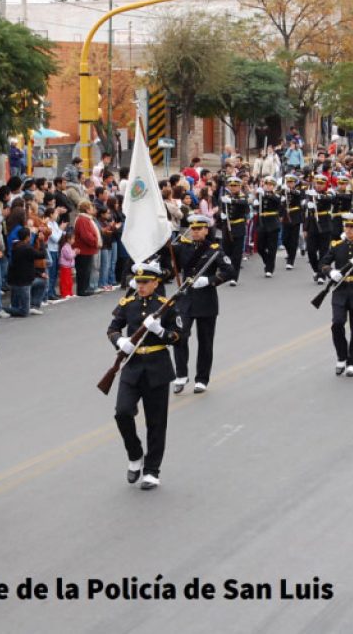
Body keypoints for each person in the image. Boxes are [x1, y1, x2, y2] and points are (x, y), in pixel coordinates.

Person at [106, 262, 181, 490]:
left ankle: (151, 470)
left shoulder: (165, 305)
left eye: (145, 282)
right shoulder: (128, 304)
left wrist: (160, 331)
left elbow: (179, 336)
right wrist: (121, 341)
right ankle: (135, 453)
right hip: (132, 365)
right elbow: (112, 328)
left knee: (156, 422)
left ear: (156, 283)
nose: (141, 286)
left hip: (157, 367)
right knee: (122, 412)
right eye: (138, 282)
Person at [172, 214, 235, 395]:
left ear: (206, 230)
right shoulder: (182, 247)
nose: (195, 232)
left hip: (206, 301)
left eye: (199, 229)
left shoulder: (214, 249)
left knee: (205, 342)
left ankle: (202, 379)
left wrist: (209, 280)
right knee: (179, 337)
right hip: (185, 299)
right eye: (193, 228)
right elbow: (167, 258)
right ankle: (181, 375)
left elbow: (229, 271)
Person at [320, 213, 353, 377]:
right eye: (346, 226)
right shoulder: (336, 245)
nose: (349, 229)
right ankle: (342, 356)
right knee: (337, 324)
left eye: (352, 226)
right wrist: (331, 272)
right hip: (340, 290)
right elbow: (323, 263)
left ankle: (352, 362)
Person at [303, 175, 334, 284]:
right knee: (311, 251)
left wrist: (317, 197)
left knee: (323, 252)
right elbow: (307, 213)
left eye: (321, 183)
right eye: (317, 183)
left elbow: (329, 199)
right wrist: (305, 228)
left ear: (325, 184)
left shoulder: (329, 192)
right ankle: (317, 270)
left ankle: (321, 275)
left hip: (325, 225)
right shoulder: (309, 194)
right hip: (312, 226)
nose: (319, 185)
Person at [219, 176, 249, 285]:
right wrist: (221, 216)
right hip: (227, 227)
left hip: (238, 227)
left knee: (237, 254)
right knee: (227, 252)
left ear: (239, 186)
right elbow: (222, 209)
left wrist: (231, 200)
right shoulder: (225, 197)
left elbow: (244, 204)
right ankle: (227, 273)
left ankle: (234, 277)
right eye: (231, 185)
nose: (233, 188)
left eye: (235, 185)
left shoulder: (242, 196)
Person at [253, 176, 281, 278]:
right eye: (266, 184)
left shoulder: (276, 194)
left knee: (272, 248)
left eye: (270, 185)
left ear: (273, 186)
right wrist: (255, 201)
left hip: (273, 222)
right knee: (260, 247)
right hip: (262, 223)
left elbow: (277, 201)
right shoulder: (260, 195)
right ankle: (268, 261)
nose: (268, 186)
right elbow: (256, 208)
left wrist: (265, 194)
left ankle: (269, 268)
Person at [280, 173, 303, 270]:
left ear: (295, 183)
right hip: (286, 216)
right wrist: (280, 215)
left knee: (293, 240)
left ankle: (290, 261)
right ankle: (290, 253)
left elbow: (298, 195)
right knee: (285, 239)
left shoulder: (298, 191)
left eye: (291, 182)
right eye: (288, 182)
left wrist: (289, 190)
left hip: (295, 216)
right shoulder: (283, 191)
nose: (289, 184)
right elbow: (280, 204)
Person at [58, 232, 78, 298]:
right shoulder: (65, 247)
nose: (74, 240)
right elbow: (69, 256)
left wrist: (74, 251)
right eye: (73, 239)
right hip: (65, 267)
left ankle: (69, 292)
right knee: (65, 281)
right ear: (68, 239)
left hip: (68, 266)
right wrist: (75, 252)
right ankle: (65, 293)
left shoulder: (69, 247)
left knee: (69, 281)